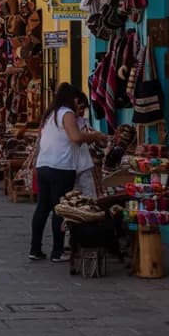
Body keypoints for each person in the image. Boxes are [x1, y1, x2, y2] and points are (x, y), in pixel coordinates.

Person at [29, 83, 108, 262]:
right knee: (59, 208)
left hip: (44, 165)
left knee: (43, 207)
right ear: (70, 98)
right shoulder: (66, 113)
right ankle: (57, 251)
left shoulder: (50, 115)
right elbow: (76, 137)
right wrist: (95, 136)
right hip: (61, 167)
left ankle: (35, 249)